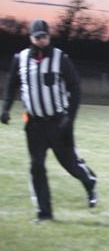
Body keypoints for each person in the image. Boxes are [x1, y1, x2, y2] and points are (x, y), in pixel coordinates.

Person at [1, 19, 98, 222]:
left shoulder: (60, 58)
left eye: (44, 36)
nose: (41, 40)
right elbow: (11, 85)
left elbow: (75, 88)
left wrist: (69, 118)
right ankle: (44, 213)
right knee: (36, 166)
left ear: (49, 36)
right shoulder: (21, 58)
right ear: (31, 37)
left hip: (58, 122)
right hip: (34, 124)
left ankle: (89, 182)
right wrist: (6, 109)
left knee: (69, 164)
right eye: (37, 37)